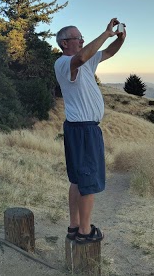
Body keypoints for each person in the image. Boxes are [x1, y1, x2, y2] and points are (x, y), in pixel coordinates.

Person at [54, 18, 126, 242]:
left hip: (80, 129)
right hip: (84, 130)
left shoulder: (84, 62)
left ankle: (74, 226)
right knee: (88, 181)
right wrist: (105, 33)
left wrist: (120, 39)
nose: (83, 40)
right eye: (79, 38)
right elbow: (82, 56)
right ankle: (85, 232)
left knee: (77, 180)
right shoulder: (65, 63)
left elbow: (109, 53)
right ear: (65, 43)